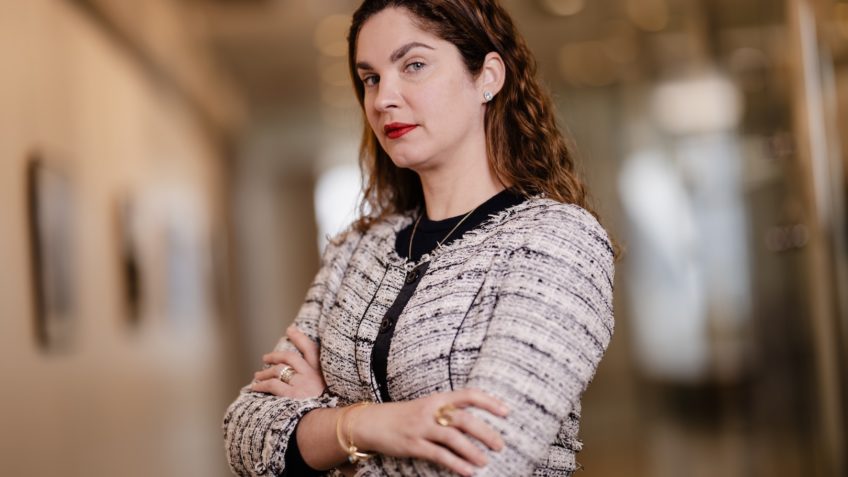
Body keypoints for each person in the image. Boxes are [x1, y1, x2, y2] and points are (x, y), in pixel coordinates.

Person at [223, 0, 617, 475]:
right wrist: (368, 424)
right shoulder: (355, 249)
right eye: (371, 78)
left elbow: (487, 459)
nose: (382, 99)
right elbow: (246, 437)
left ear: (488, 76)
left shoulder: (557, 241)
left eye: (413, 65)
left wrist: (325, 426)